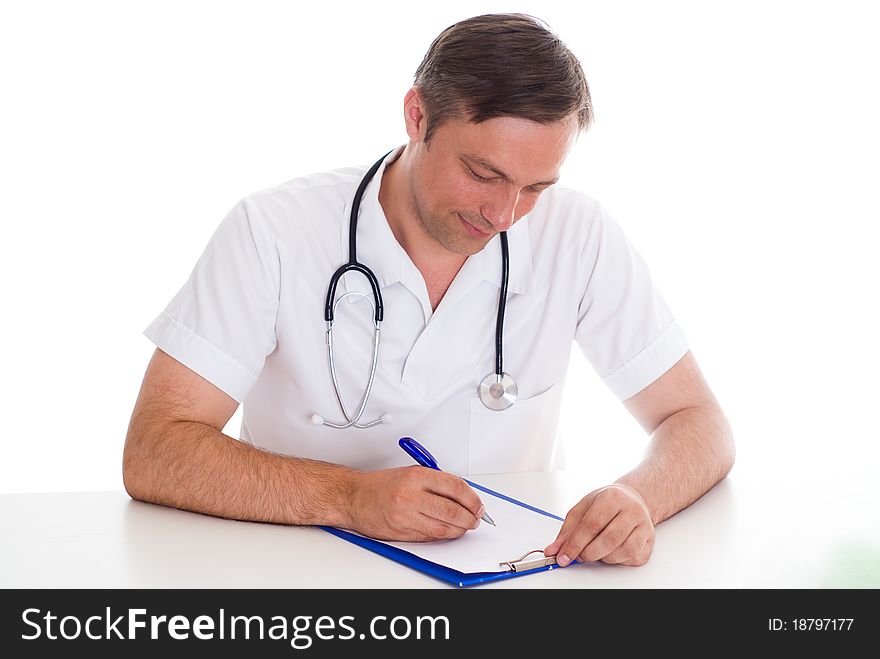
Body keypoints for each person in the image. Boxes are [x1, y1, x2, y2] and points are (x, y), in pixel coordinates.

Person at [123, 13, 734, 568]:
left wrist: (637, 497)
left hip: (509, 576)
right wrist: (348, 496)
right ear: (417, 117)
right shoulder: (273, 232)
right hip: (301, 576)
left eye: (536, 187)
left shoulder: (577, 234)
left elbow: (698, 422)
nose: (505, 213)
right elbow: (155, 449)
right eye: (483, 174)